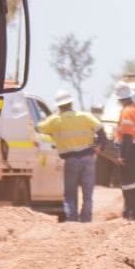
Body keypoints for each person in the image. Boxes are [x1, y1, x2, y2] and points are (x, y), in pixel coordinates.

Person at [37, 90, 102, 222]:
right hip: (88, 159)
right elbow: (101, 131)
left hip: (71, 160)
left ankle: (72, 219)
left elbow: (39, 128)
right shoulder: (85, 116)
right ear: (71, 103)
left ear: (59, 107)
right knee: (87, 194)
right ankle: (86, 219)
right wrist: (97, 147)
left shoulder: (55, 120)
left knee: (70, 194)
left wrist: (56, 115)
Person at [113, 83, 135, 221]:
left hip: (131, 151)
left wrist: (123, 156)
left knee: (128, 184)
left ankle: (133, 214)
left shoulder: (127, 112)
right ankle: (129, 212)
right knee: (132, 183)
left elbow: (127, 136)